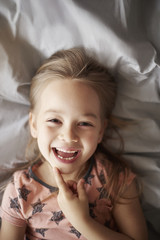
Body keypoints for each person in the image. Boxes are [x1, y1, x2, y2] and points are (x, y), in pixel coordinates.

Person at [0, 47, 148, 240]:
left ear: (101, 131)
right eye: (54, 120)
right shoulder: (19, 191)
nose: (69, 136)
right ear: (34, 125)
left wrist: (82, 222)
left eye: (85, 123)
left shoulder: (114, 179)